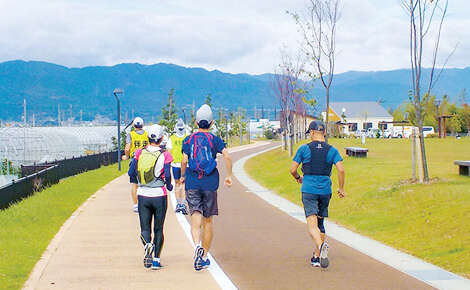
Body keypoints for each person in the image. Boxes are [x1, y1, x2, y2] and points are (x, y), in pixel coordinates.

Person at [180, 104, 233, 271]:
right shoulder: (216, 140)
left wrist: (182, 176)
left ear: (196, 123)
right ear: (211, 123)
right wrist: (229, 176)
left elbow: (183, 161)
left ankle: (196, 246)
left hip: (193, 183)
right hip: (210, 184)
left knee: (195, 218)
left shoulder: (188, 140)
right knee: (208, 220)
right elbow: (227, 156)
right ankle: (204, 256)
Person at [289, 120, 345, 268]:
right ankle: (317, 256)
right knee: (320, 223)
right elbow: (341, 169)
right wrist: (341, 188)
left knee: (312, 224)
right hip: (325, 190)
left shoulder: (304, 149)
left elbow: (293, 169)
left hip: (309, 189)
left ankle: (320, 247)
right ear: (324, 133)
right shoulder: (332, 150)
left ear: (312, 133)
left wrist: (298, 178)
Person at [128, 124, 173, 270]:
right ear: (161, 139)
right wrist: (169, 185)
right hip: (159, 194)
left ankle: (147, 244)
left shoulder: (140, 153)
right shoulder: (165, 154)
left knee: (144, 228)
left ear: (148, 138)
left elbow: (131, 172)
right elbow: (167, 174)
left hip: (143, 194)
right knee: (158, 229)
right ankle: (156, 260)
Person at [123, 117, 148, 212]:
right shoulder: (147, 134)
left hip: (134, 160)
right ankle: (145, 203)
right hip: (146, 160)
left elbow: (127, 148)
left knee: (134, 183)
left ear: (134, 126)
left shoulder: (131, 135)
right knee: (145, 182)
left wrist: (127, 156)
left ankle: (136, 204)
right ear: (142, 125)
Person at [168, 118, 189, 214]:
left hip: (175, 164)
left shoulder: (172, 138)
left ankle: (178, 204)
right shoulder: (188, 137)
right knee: (184, 184)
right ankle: (183, 204)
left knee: (177, 183)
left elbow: (168, 152)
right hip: (185, 164)